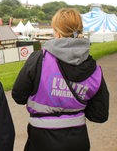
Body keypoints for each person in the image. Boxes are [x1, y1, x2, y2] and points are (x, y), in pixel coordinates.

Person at [12, 8, 109, 151]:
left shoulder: (40, 59)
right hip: (77, 141)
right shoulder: (94, 69)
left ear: (57, 32)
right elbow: (99, 115)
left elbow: (18, 96)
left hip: (41, 139)